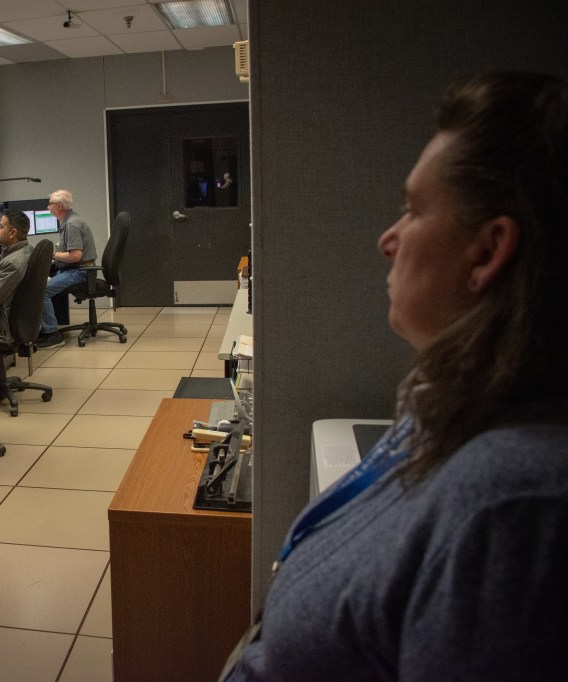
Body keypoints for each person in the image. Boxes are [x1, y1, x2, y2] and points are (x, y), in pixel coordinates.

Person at [223, 72, 568, 680]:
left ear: (487, 252)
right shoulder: (453, 406)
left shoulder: (512, 509)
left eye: (412, 210)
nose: (388, 239)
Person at [36, 189, 97, 349]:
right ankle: (48, 327)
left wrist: (54, 255)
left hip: (79, 271)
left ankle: (52, 334)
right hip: (75, 269)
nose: (48, 207)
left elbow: (75, 256)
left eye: (50, 204)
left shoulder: (71, 224)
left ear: (60, 206)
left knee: (42, 291)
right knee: (45, 281)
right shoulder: (68, 221)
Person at [0, 208, 33, 345]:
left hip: (1, 326)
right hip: (14, 319)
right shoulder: (26, 250)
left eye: (1, 227)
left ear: (13, 233)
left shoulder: (13, 263)